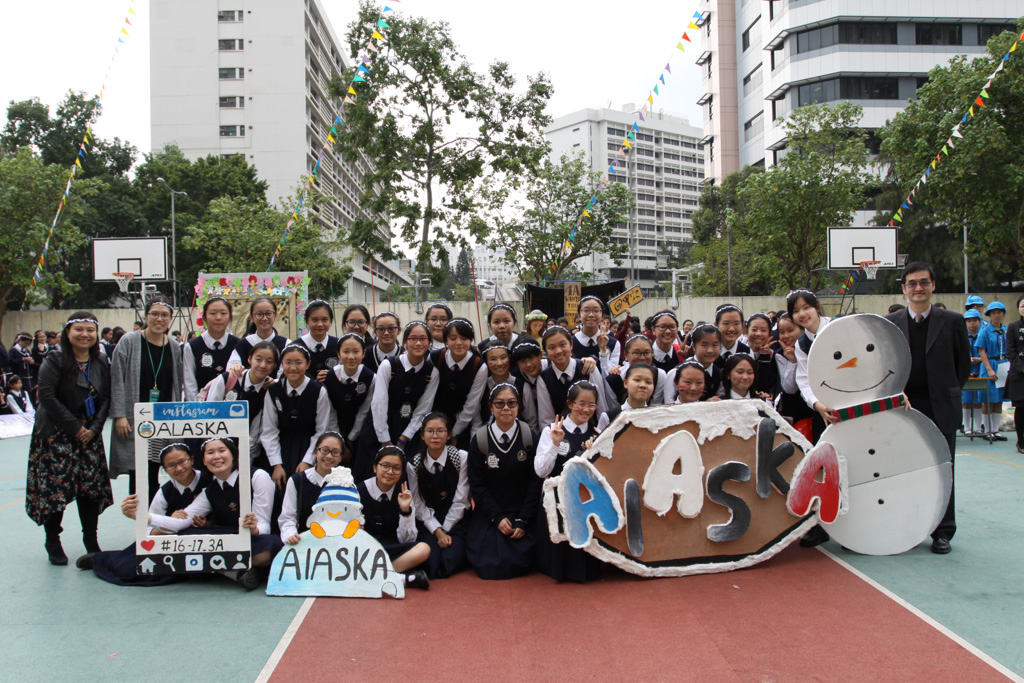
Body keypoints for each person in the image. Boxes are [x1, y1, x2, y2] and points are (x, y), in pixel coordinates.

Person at [886, 261, 971, 555]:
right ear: (904, 288)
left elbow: (962, 366)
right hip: (904, 409)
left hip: (941, 408)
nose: (918, 288)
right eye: (912, 283)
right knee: (903, 470)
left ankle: (942, 531)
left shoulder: (953, 321)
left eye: (924, 282)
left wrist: (945, 392)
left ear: (933, 285)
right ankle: (907, 527)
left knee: (942, 470)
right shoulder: (892, 322)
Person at [25, 312, 113, 566]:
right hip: (56, 433)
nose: (85, 334)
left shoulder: (100, 360)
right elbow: (47, 396)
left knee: (90, 489)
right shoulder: (54, 359)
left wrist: (94, 428)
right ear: (68, 333)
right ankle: (53, 540)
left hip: (89, 434)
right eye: (79, 329)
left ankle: (91, 541)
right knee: (55, 490)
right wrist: (75, 427)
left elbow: (106, 397)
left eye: (90, 330)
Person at [148, 437, 282, 589]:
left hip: (258, 536)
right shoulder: (209, 490)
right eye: (210, 453)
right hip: (229, 535)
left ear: (233, 454)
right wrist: (142, 517)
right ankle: (233, 572)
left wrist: (254, 529)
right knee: (185, 537)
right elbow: (181, 522)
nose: (216, 457)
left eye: (222, 450)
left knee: (266, 551)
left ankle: (220, 568)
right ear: (203, 461)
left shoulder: (258, 477)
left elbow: (264, 525)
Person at [83, 443, 210, 585]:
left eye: (182, 461)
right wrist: (169, 522)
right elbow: (148, 531)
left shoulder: (209, 481)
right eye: (171, 465)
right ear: (164, 469)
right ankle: (102, 559)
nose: (179, 468)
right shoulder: (164, 493)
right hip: (170, 540)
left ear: (192, 459)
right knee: (129, 569)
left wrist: (209, 522)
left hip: (204, 535)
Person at [110, 296, 183, 499]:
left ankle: (155, 513)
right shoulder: (129, 341)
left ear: (170, 318)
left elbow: (178, 384)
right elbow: (117, 380)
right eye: (155, 314)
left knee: (159, 466)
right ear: (146, 316)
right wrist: (120, 415)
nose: (159, 319)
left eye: (165, 315)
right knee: (138, 473)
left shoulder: (174, 346)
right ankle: (140, 515)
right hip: (136, 418)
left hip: (163, 418)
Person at [466, 384, 541, 580]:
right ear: (491, 407)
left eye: (511, 403)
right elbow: (477, 485)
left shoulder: (529, 437)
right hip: (491, 511)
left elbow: (536, 482)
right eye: (499, 404)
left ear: (519, 406)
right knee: (487, 561)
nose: (506, 408)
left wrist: (524, 519)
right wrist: (497, 517)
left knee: (525, 556)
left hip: (521, 510)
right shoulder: (480, 439)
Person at [535, 381, 607, 582]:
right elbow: (541, 471)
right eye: (580, 403)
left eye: (591, 405)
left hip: (584, 505)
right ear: (570, 403)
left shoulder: (598, 435)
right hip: (556, 503)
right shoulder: (551, 430)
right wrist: (554, 445)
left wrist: (592, 455)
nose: (586, 409)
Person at [353, 322, 439, 480]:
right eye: (413, 338)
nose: (418, 343)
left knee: (404, 476)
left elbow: (423, 409)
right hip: (378, 426)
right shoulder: (389, 365)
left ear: (429, 342)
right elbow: (379, 403)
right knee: (370, 475)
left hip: (408, 428)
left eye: (423, 339)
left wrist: (404, 437)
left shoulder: (432, 372)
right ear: (405, 342)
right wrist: (385, 440)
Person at [407, 413, 471, 579]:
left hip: (456, 520)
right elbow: (418, 504)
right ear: (422, 435)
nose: (435, 436)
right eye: (430, 431)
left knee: (452, 558)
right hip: (429, 520)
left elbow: (461, 499)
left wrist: (446, 528)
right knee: (431, 559)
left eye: (440, 431)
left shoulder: (461, 457)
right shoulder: (414, 464)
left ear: (448, 435)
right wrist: (438, 531)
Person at [261, 344, 332, 494]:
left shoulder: (318, 391)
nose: (293, 368)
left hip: (309, 446)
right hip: (280, 447)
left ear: (308, 364)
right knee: (279, 487)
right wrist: (276, 464)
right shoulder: (274, 391)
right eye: (288, 362)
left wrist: (307, 461)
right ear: (282, 364)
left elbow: (321, 430)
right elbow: (269, 429)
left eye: (298, 362)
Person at [357, 446, 431, 589]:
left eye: (396, 468)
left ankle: (372, 576)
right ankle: (399, 578)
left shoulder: (404, 495)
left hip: (392, 548)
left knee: (423, 549)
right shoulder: (358, 492)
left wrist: (405, 510)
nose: (390, 472)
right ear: (375, 467)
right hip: (365, 548)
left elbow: (407, 540)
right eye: (385, 466)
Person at [205, 340, 280, 469]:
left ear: (274, 366)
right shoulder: (228, 379)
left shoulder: (269, 390)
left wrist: (246, 456)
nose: (263, 365)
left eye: (269, 362)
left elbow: (257, 428)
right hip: (218, 445)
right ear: (249, 359)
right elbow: (209, 413)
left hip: (247, 450)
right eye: (258, 359)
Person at [279, 432, 348, 545]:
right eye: (324, 450)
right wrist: (290, 535)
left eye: (335, 452)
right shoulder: (298, 481)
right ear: (315, 452)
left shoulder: (345, 483)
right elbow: (287, 517)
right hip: (302, 543)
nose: (329, 456)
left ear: (340, 457)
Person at [430, 319, 486, 450]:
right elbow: (428, 395)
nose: (459, 343)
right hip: (435, 418)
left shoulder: (478, 366)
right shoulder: (435, 358)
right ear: (445, 340)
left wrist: (454, 432)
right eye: (453, 338)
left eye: (464, 338)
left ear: (471, 339)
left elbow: (472, 404)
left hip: (463, 421)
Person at [536, 326, 607, 426]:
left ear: (571, 345)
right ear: (546, 351)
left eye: (563, 345)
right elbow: (546, 419)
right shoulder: (544, 379)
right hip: (560, 432)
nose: (558, 351)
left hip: (591, 430)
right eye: (552, 347)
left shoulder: (588, 368)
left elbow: (601, 407)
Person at [789, 289, 834, 442]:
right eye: (796, 311)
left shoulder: (837, 326)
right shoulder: (801, 344)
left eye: (806, 307)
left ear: (817, 307)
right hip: (825, 409)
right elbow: (804, 379)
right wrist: (817, 404)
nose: (802, 314)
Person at [183, 296, 239, 401]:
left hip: (231, 405)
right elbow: (189, 382)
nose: (218, 318)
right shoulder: (192, 346)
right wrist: (196, 407)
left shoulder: (238, 345)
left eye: (223, 313)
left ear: (230, 317)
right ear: (204, 317)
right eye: (213, 313)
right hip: (201, 406)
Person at [322, 333, 375, 445]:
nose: (351, 357)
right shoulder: (329, 377)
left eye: (356, 352)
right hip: (333, 428)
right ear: (338, 354)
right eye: (346, 352)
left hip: (360, 429)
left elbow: (364, 410)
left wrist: (352, 436)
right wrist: (338, 437)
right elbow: (330, 411)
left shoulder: (371, 378)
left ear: (363, 353)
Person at [227, 297, 290, 373]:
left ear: (275, 316)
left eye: (269, 314)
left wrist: (274, 380)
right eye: (259, 314)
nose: (264, 318)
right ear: (251, 317)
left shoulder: (286, 344)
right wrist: (235, 367)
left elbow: (287, 372)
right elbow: (231, 368)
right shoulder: (243, 344)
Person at [606, 335, 669, 407]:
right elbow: (614, 409)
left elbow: (656, 405)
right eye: (636, 353)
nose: (642, 358)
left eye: (646, 353)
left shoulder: (659, 375)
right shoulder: (614, 379)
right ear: (626, 354)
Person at [976, 301, 1008, 442]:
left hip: (1003, 365)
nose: (996, 315)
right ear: (989, 315)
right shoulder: (985, 331)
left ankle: (996, 430)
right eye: (993, 313)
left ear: (1003, 314)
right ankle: (987, 430)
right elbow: (981, 350)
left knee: (999, 399)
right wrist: (989, 369)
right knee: (988, 399)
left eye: (999, 312)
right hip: (990, 365)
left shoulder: (1005, 331)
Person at [666, 324, 722, 402]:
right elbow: (668, 404)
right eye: (704, 345)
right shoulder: (676, 372)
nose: (710, 350)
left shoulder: (718, 374)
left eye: (715, 345)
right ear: (694, 347)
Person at [292, 300, 340, 382]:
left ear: (331, 320)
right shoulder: (295, 347)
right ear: (306, 320)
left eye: (324, 320)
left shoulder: (339, 345)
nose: (320, 324)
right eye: (314, 320)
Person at [960, 310, 986, 437]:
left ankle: (978, 427)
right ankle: (967, 427)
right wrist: (968, 359)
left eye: (975, 321)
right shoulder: (962, 335)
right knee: (966, 399)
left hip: (980, 368)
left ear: (979, 322)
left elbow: (986, 351)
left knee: (978, 399)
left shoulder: (983, 334)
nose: (972, 323)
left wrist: (980, 359)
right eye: (969, 321)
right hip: (966, 368)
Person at [572, 296, 618, 363]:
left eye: (596, 311)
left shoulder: (613, 343)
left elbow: (612, 369)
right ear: (579, 315)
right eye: (586, 310)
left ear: (602, 316)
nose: (591, 315)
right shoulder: (570, 343)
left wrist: (603, 349)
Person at [1005, 294, 1024, 454]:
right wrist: (1021, 367)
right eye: (1022, 306)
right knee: (1021, 409)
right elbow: (1010, 351)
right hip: (1019, 375)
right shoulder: (1013, 327)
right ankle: (1021, 442)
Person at [745, 313, 779, 398]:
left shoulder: (774, 356)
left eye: (763, 330)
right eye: (754, 330)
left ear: (770, 334)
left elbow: (767, 384)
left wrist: (765, 356)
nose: (758, 334)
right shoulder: (740, 351)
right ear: (746, 332)